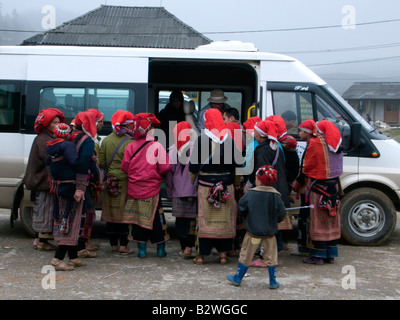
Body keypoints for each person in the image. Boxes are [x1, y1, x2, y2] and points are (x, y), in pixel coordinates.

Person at [189, 108, 242, 265]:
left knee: (205, 221)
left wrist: (192, 181)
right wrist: (236, 183)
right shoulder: (230, 140)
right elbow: (238, 165)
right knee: (224, 221)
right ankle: (223, 255)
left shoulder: (201, 140)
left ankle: (201, 256)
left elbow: (193, 166)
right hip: (226, 188)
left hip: (206, 188)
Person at [121, 113, 171, 258]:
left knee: (138, 220)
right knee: (157, 221)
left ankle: (142, 251)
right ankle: (160, 250)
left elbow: (125, 167)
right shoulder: (157, 146)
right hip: (153, 191)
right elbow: (165, 168)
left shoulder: (130, 147)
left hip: (135, 190)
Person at [227, 165, 285, 289]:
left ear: (258, 180)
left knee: (246, 255)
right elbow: (281, 214)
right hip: (270, 233)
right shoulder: (276, 196)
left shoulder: (251, 194)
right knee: (271, 256)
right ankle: (273, 282)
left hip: (253, 232)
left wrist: (246, 217)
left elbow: (241, 207)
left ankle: (238, 278)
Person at [301, 120, 343, 265]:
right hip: (334, 188)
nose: (316, 132)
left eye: (318, 130)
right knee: (331, 220)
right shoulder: (337, 145)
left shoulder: (315, 143)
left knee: (318, 220)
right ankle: (330, 254)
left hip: (319, 188)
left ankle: (318, 255)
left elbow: (308, 166)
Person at [23, 108, 65, 251]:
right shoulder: (44, 139)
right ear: (46, 123)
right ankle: (42, 242)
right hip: (42, 181)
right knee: (44, 211)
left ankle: (38, 239)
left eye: (59, 122)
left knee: (43, 210)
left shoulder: (46, 137)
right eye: (54, 122)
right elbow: (48, 158)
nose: (57, 125)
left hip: (42, 180)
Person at [47, 123, 86, 271]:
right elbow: (75, 162)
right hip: (70, 188)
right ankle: (57, 258)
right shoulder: (67, 146)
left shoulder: (51, 146)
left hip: (59, 187)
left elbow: (47, 165)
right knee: (69, 222)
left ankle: (73, 257)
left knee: (67, 220)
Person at [99, 110, 135, 254]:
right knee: (124, 214)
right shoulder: (131, 142)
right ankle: (123, 246)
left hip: (110, 182)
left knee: (111, 214)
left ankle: (113, 245)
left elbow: (101, 163)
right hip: (125, 182)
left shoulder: (106, 140)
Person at [70, 111, 101, 259]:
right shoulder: (87, 141)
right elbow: (84, 163)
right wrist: (82, 186)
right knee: (88, 213)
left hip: (68, 180)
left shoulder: (70, 135)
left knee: (74, 214)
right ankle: (81, 247)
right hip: (81, 183)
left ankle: (74, 246)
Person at [165, 121, 198, 259]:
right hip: (193, 191)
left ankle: (183, 247)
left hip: (178, 191)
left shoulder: (172, 149)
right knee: (191, 221)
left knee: (180, 221)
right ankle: (189, 249)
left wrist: (169, 191)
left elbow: (169, 174)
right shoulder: (197, 147)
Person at [267, 115, 299, 253]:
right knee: (284, 212)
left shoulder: (281, 143)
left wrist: (285, 178)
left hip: (281, 181)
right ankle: (284, 243)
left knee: (279, 213)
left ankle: (280, 245)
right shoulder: (286, 142)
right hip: (285, 181)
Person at [292, 119, 316, 256]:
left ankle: (305, 246)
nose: (299, 133)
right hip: (309, 185)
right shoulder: (311, 144)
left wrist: (297, 184)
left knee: (305, 216)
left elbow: (306, 168)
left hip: (308, 186)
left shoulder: (312, 146)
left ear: (307, 132)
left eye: (301, 130)